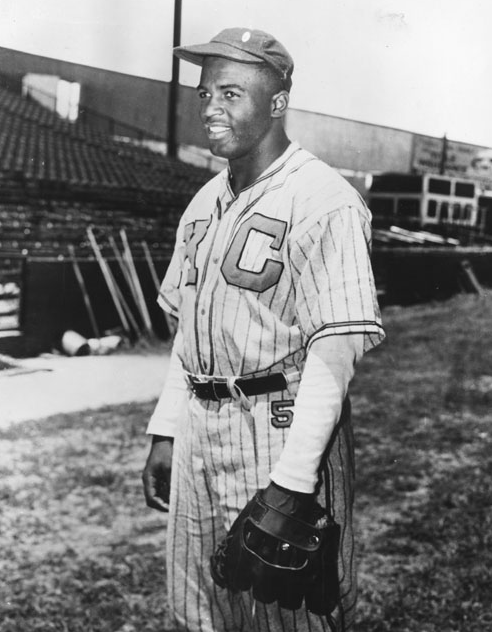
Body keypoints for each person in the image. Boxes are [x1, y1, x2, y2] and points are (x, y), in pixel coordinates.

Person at [142, 27, 385, 632]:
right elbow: (189, 333)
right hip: (200, 425)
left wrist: (294, 483)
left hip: (276, 428)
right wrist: (167, 429)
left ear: (277, 103)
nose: (210, 110)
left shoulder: (325, 200)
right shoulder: (203, 202)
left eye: (230, 94)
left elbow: (335, 354)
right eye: (204, 95)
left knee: (287, 618)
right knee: (200, 611)